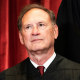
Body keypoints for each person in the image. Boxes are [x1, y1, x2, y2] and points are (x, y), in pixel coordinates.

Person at [0, 4, 80, 80]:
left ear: (55, 32)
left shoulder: (77, 73)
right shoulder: (6, 77)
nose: (35, 32)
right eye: (28, 27)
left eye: (41, 25)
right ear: (21, 37)